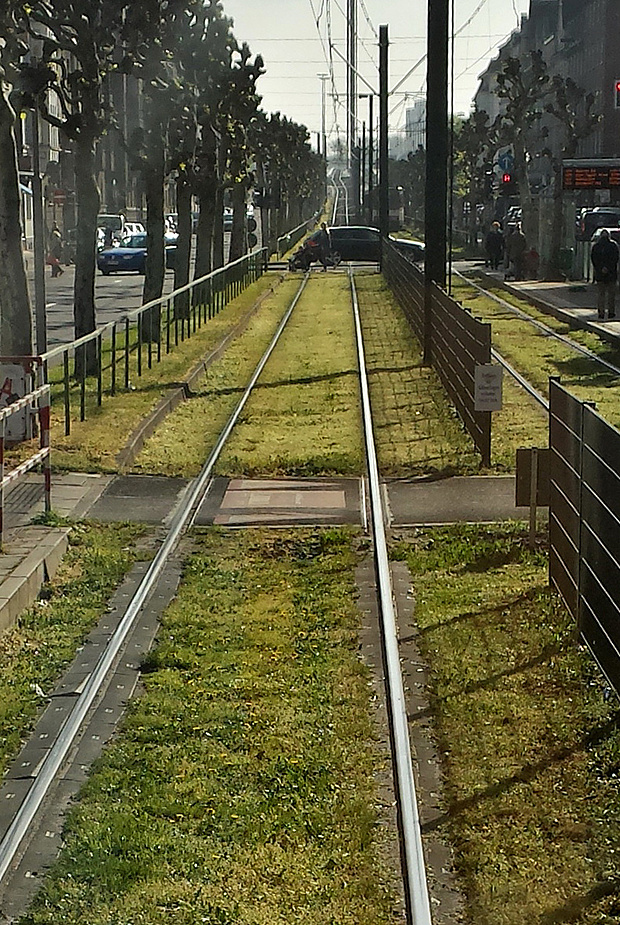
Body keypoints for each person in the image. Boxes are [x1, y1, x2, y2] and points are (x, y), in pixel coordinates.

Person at [591, 228, 619, 320]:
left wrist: (600, 268)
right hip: (611, 274)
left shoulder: (596, 246)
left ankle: (601, 313)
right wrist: (608, 268)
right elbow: (615, 259)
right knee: (611, 295)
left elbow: (594, 260)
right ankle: (611, 312)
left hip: (600, 274)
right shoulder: (613, 245)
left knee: (601, 294)